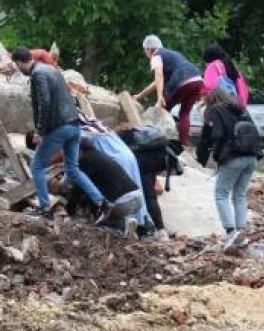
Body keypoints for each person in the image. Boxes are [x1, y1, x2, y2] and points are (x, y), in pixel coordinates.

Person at [11, 47, 114, 227]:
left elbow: (45, 102)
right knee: (73, 169)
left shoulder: (38, 74)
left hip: (60, 127)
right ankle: (102, 202)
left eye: (16, 66)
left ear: (19, 63)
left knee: (36, 166)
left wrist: (41, 131)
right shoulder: (50, 69)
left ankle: (44, 210)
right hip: (74, 125)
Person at [196, 87, 261, 248]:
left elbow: (216, 135)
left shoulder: (216, 111)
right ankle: (241, 232)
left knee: (221, 194)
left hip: (233, 157)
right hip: (251, 156)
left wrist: (213, 155)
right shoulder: (241, 109)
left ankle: (231, 233)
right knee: (239, 195)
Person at [55, 138, 145, 237]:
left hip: (123, 202)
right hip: (138, 197)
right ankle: (126, 228)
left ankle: (120, 225)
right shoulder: (101, 156)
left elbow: (79, 188)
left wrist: (69, 210)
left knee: (99, 227)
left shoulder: (85, 160)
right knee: (109, 217)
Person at [134, 35, 203, 148]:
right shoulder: (173, 55)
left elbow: (159, 74)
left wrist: (160, 96)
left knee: (161, 109)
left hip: (182, 80)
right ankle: (183, 145)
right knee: (185, 113)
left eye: (144, 50)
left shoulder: (156, 55)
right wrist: (140, 95)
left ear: (148, 49)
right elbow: (157, 82)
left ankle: (155, 141)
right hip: (197, 79)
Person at [117, 125, 171, 240]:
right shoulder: (144, 132)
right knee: (151, 197)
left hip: (143, 163)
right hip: (157, 161)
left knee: (143, 196)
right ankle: (160, 230)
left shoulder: (121, 137)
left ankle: (145, 229)